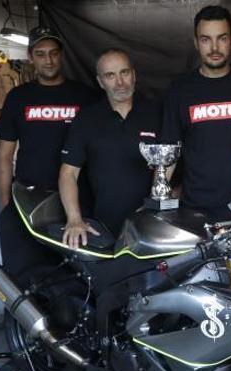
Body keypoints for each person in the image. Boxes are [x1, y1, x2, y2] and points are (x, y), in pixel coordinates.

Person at [0, 26, 99, 275]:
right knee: (26, 271)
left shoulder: (87, 97)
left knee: (78, 273)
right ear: (31, 57)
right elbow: (5, 156)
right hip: (30, 199)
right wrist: (8, 204)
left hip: (77, 201)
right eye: (40, 54)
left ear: (61, 55)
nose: (48, 60)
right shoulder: (19, 98)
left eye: (53, 53)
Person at [161, 5, 231, 221]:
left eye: (222, 38)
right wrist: (156, 200)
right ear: (195, 43)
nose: (214, 47)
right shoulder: (180, 89)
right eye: (205, 39)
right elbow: (167, 152)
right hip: (194, 209)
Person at [58, 49, 160, 249]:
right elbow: (68, 173)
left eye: (124, 72)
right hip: (104, 228)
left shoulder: (157, 113)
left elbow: (175, 166)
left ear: (134, 75)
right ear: (100, 82)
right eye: (110, 75)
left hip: (153, 225)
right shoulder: (86, 119)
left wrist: (159, 203)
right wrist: (74, 219)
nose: (120, 82)